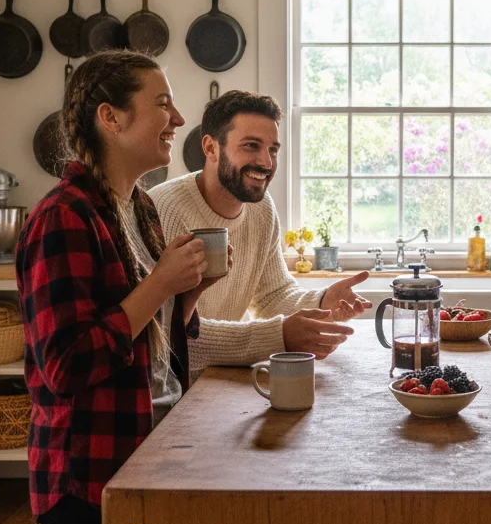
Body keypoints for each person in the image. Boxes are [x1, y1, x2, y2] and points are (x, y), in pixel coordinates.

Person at [15, 51, 228, 524]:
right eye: (162, 103)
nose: (179, 118)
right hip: (88, 480)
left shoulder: (139, 209)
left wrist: (182, 300)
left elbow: (151, 349)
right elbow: (67, 368)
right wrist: (158, 288)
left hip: (136, 465)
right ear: (110, 117)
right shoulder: (62, 218)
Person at [150, 90, 372, 372]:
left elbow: (272, 297)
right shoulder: (162, 210)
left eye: (273, 150)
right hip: (175, 396)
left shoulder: (261, 208)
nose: (266, 163)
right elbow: (164, 336)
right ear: (211, 148)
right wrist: (277, 337)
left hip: (226, 381)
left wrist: (322, 301)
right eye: (251, 146)